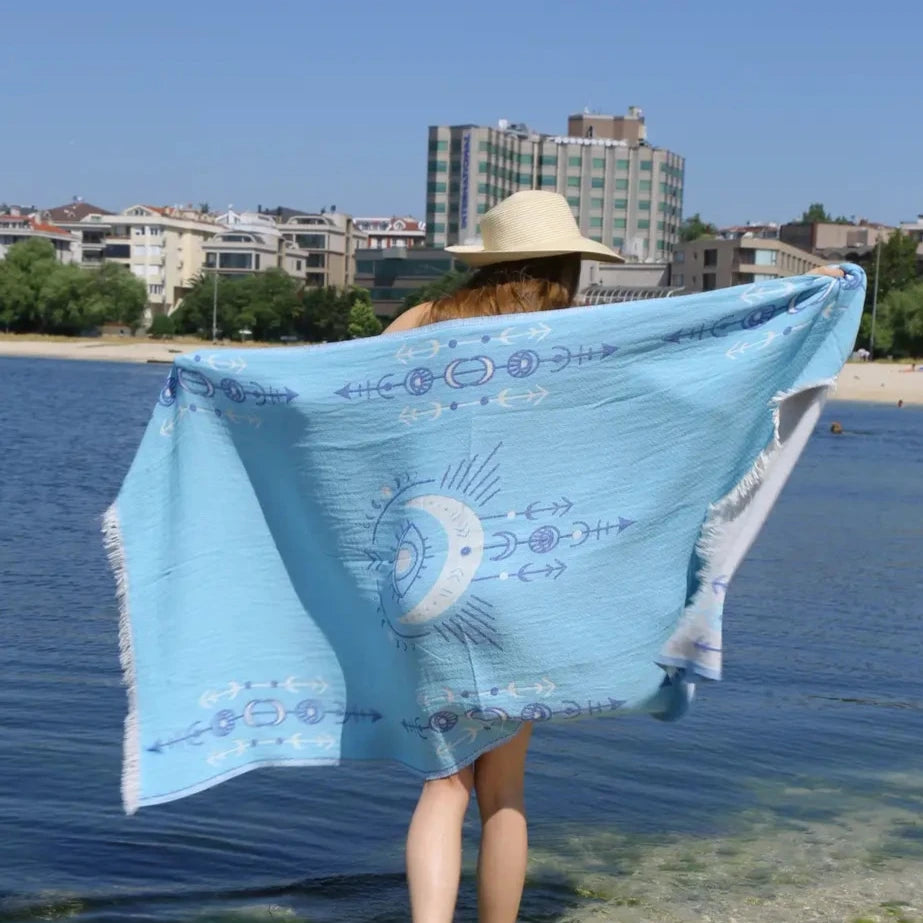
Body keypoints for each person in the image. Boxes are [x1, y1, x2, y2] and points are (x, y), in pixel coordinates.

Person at [384, 190, 844, 923]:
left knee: (444, 786)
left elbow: (330, 402)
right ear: (565, 263)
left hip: (433, 581)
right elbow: (688, 363)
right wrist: (810, 294)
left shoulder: (417, 325)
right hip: (524, 583)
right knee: (503, 792)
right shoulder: (579, 339)